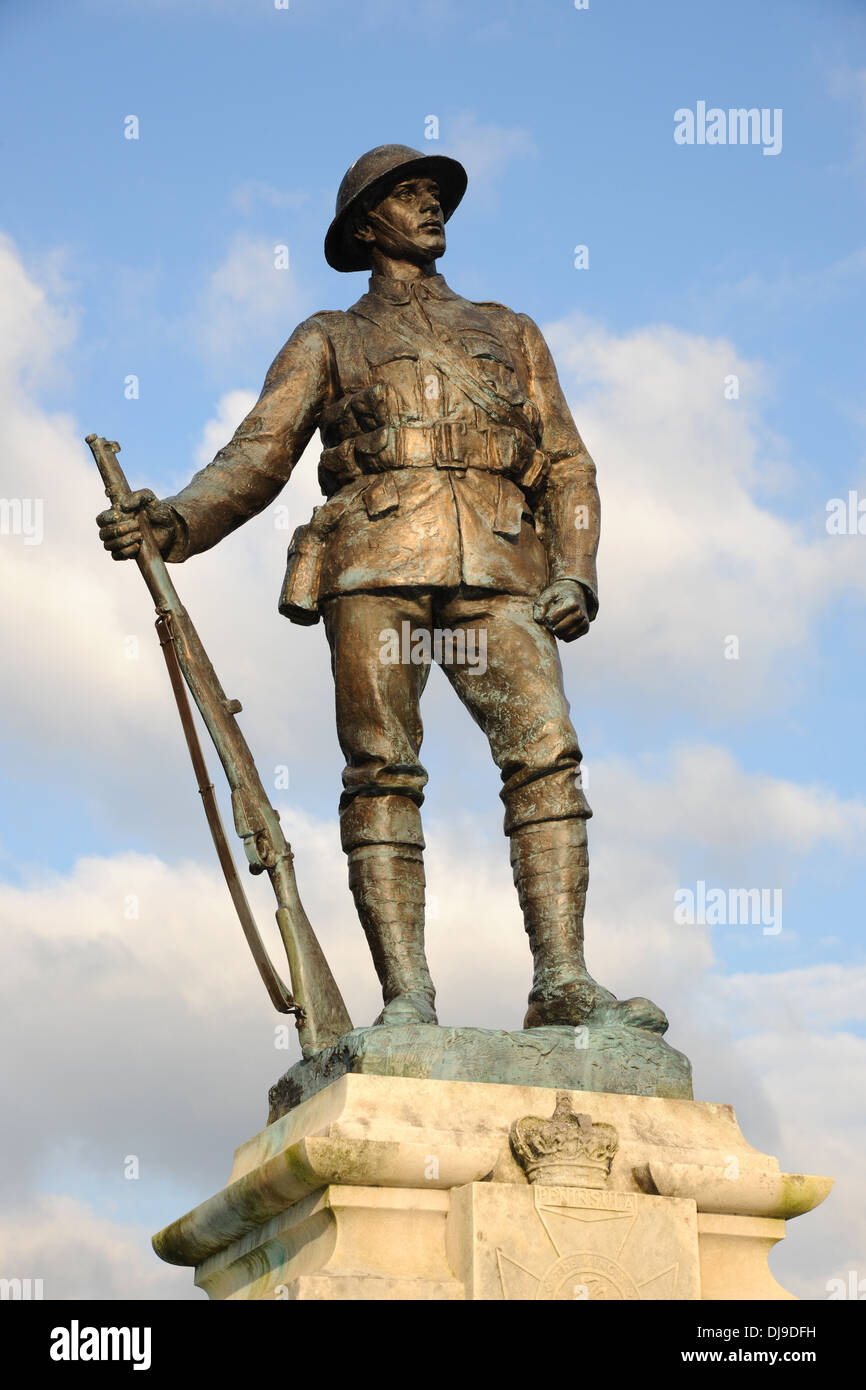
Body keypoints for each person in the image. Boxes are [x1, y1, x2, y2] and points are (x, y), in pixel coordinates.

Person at [97, 144, 667, 1036]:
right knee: (382, 771)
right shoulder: (328, 337)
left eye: (435, 195)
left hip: (503, 563)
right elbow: (257, 460)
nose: (430, 207)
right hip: (375, 563)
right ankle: (408, 996)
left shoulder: (510, 330)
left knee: (546, 755)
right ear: (367, 227)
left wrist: (578, 570)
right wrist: (169, 522)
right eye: (408, 195)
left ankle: (562, 978)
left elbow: (566, 461)